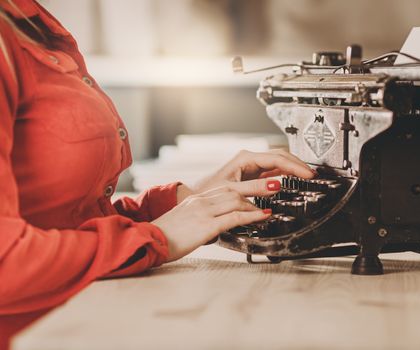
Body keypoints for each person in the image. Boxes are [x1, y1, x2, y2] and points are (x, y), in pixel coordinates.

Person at [0, 0, 315, 348]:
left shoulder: (28, 19)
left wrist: (181, 203)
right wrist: (156, 238)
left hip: (83, 318)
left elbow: (63, 223)